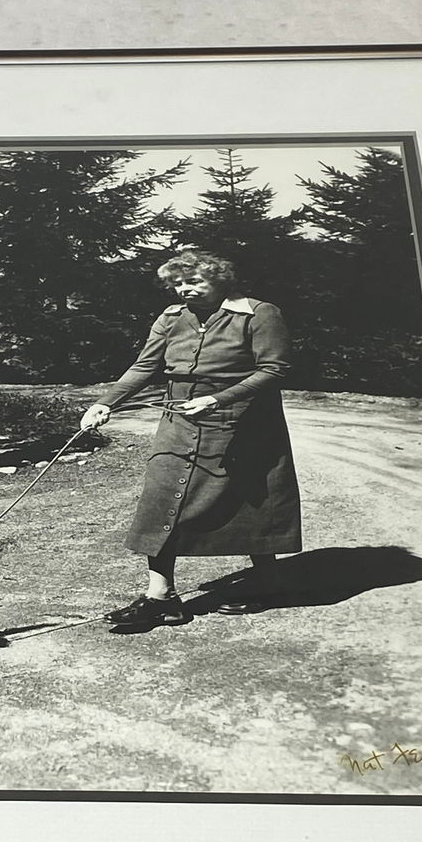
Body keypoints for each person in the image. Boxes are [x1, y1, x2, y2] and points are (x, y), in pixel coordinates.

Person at [81, 249, 303, 627]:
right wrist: (105, 404)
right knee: (162, 497)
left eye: (195, 281)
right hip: (178, 420)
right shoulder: (171, 318)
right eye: (178, 283)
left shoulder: (259, 313)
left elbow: (275, 369)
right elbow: (145, 366)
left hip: (244, 422)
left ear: (220, 280)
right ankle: (162, 597)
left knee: (250, 501)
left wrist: (218, 399)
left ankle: (269, 583)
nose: (185, 289)